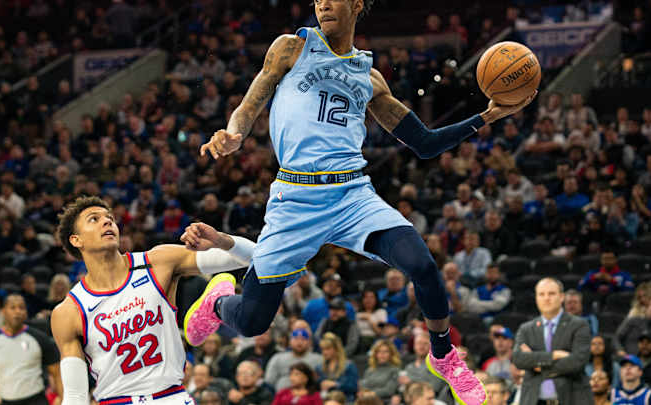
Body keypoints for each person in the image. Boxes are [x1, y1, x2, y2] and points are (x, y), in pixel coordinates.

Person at [185, 1, 535, 403]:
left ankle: (443, 356)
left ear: (356, 4)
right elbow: (249, 105)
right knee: (252, 321)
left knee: (422, 264)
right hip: (295, 198)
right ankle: (218, 302)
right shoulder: (291, 48)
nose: (323, 4)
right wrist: (233, 133)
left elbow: (424, 143)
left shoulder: (369, 78)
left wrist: (486, 117)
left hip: (352, 195)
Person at [50, 196, 255, 405]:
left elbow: (253, 256)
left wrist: (221, 240)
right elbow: (75, 396)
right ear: (76, 240)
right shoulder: (69, 311)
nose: (107, 221)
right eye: (94, 219)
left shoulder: (157, 262)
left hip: (172, 397)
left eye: (109, 217)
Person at [512, 278, 591, 404]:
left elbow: (577, 361)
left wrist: (537, 366)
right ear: (536, 298)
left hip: (571, 399)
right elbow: (518, 358)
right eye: (541, 294)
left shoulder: (579, 325)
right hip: (534, 400)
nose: (546, 298)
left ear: (561, 297)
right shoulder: (526, 329)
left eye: (551, 294)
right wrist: (553, 356)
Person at [0, 295, 62, 405]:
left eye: (21, 308)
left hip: (36, 400)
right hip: (6, 401)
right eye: (13, 307)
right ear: (3, 311)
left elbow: (57, 373)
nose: (17, 311)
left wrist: (64, 400)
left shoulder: (40, 338)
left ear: (26, 313)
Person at [265, 321, 323, 391]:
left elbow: (322, 381)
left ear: (309, 342)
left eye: (303, 339)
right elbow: (269, 382)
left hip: (309, 395)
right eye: (296, 338)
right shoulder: (278, 358)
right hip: (280, 395)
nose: (299, 342)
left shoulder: (319, 359)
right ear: (290, 341)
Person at [315, 333, 358, 402]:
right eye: (322, 349)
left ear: (336, 349)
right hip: (326, 400)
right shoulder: (319, 367)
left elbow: (354, 387)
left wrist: (335, 384)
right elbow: (316, 387)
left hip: (345, 400)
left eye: (328, 349)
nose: (324, 352)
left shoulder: (349, 365)